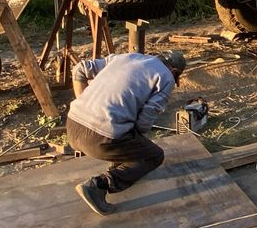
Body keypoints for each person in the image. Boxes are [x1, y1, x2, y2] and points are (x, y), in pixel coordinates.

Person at [66, 49, 186, 216]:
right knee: (154, 155)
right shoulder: (165, 77)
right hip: (101, 139)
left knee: (129, 141)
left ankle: (120, 163)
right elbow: (146, 118)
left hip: (72, 127)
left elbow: (80, 68)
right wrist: (139, 144)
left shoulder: (124, 57)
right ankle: (98, 186)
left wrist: (83, 105)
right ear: (174, 71)